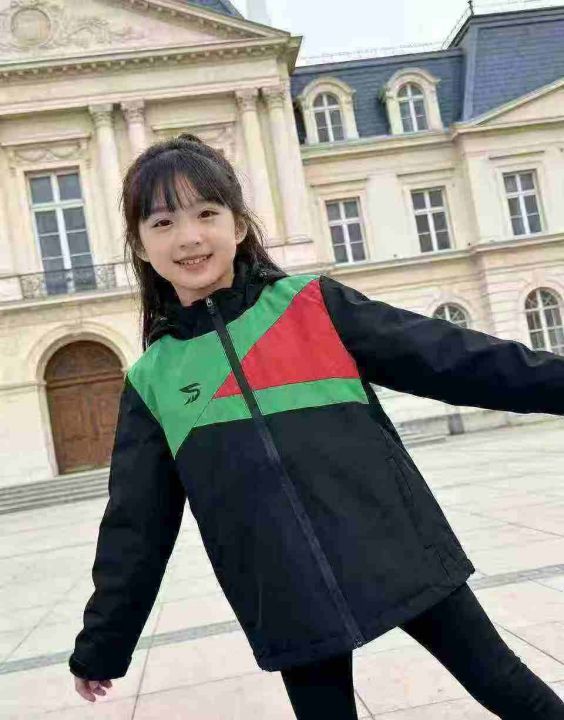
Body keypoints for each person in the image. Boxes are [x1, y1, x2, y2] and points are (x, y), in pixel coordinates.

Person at [69, 133, 564, 718]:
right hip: (284, 588)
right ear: (140, 244)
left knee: (505, 684)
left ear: (239, 224)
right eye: (163, 222)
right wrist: (103, 642)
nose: (189, 237)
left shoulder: (312, 305)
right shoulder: (153, 380)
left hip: (397, 545)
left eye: (206, 213)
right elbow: (136, 525)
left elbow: (456, 359)